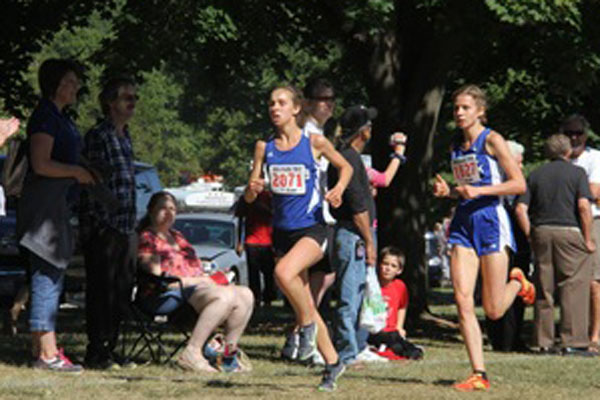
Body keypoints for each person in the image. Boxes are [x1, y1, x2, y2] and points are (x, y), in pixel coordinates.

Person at [244, 85, 352, 391]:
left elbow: (344, 167)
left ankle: (305, 330)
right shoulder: (264, 148)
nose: (274, 108)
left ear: (296, 109)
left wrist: (339, 189)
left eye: (281, 103)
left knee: (282, 273)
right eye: (270, 104)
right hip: (282, 232)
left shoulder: (315, 142)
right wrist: (253, 189)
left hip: (312, 229)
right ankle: (333, 363)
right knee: (305, 302)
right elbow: (250, 196)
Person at [432, 84, 534, 391]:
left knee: (492, 309)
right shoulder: (455, 146)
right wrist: (448, 192)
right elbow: (465, 186)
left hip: (491, 218)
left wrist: (481, 191)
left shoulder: (492, 140)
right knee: (462, 300)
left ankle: (518, 281)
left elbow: (518, 184)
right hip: (464, 222)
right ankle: (479, 373)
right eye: (456, 108)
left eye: (465, 107)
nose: (459, 113)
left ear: (480, 111)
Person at [17, 59, 95, 373]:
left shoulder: (59, 118)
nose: (75, 87)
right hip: (44, 214)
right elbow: (41, 163)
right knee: (46, 278)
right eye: (70, 81)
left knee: (51, 277)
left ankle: (44, 348)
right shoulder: (45, 118)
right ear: (55, 84)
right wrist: (76, 171)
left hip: (57, 209)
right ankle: (46, 354)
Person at [137, 191, 254, 373]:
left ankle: (226, 355)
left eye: (172, 209)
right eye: (162, 208)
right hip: (164, 294)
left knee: (245, 294)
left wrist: (210, 278)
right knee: (222, 297)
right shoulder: (147, 238)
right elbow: (157, 275)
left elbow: (197, 267)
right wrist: (197, 280)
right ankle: (192, 352)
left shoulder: (177, 236)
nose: (168, 213)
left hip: (192, 290)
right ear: (151, 211)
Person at [515, 134, 596, 356]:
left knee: (544, 288)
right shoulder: (577, 173)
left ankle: (543, 342)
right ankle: (573, 341)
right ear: (568, 152)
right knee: (574, 286)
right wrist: (588, 238)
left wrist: (531, 234)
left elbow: (521, 209)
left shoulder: (535, 174)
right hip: (568, 231)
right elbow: (583, 206)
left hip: (541, 231)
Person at [79, 77, 139, 369]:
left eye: (134, 99)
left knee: (122, 288)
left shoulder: (125, 135)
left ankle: (112, 346)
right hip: (104, 224)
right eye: (127, 98)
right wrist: (106, 211)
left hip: (127, 224)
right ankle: (96, 349)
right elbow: (91, 178)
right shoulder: (98, 135)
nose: (132, 104)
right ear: (110, 103)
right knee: (101, 288)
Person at [281, 77, 337, 363]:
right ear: (309, 103)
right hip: (302, 220)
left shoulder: (320, 134)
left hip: (316, 218)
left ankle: (303, 339)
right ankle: (305, 337)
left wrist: (336, 190)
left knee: (315, 280)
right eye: (323, 99)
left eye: (332, 100)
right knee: (303, 282)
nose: (329, 104)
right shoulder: (305, 133)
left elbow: (340, 168)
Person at [328, 105, 386, 365]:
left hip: (354, 233)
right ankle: (347, 352)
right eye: (369, 126)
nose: (371, 130)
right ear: (363, 132)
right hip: (354, 233)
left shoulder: (346, 156)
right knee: (349, 296)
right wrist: (370, 242)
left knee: (357, 292)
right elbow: (357, 208)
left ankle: (355, 345)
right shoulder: (348, 158)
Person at [485, 139, 531, 352]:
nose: (520, 167)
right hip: (497, 238)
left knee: (516, 289)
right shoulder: (492, 184)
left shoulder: (522, 187)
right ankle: (500, 338)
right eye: (518, 162)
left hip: (518, 241)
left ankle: (514, 337)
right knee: (495, 287)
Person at [560, 114, 600, 353]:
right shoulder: (560, 161)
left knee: (594, 282)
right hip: (567, 223)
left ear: (585, 135)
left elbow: (595, 192)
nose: (574, 138)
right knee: (570, 282)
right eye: (569, 134)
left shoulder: (594, 158)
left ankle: (595, 335)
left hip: (593, 221)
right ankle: (574, 334)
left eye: (578, 133)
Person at [367, 246, 423, 360]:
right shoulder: (372, 285)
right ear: (379, 265)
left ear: (399, 270)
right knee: (394, 343)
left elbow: (402, 306)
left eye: (393, 266)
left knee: (406, 347)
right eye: (385, 264)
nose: (388, 268)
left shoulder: (400, 286)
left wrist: (399, 327)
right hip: (375, 330)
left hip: (392, 331)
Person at [235, 190, 276, 307]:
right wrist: (240, 242)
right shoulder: (247, 197)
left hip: (268, 241)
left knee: (269, 272)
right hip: (251, 241)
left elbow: (276, 215)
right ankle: (256, 298)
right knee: (253, 272)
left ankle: (269, 298)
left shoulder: (269, 197)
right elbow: (241, 220)